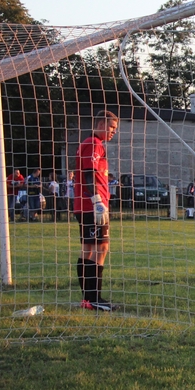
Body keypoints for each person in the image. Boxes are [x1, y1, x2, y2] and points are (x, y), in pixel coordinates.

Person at [74, 110, 120, 311]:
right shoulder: (93, 143)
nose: (113, 132)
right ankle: (94, 299)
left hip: (87, 205)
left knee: (89, 249)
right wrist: (96, 200)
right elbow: (88, 172)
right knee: (100, 249)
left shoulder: (91, 144)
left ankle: (88, 299)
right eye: (111, 127)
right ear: (101, 124)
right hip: (92, 205)